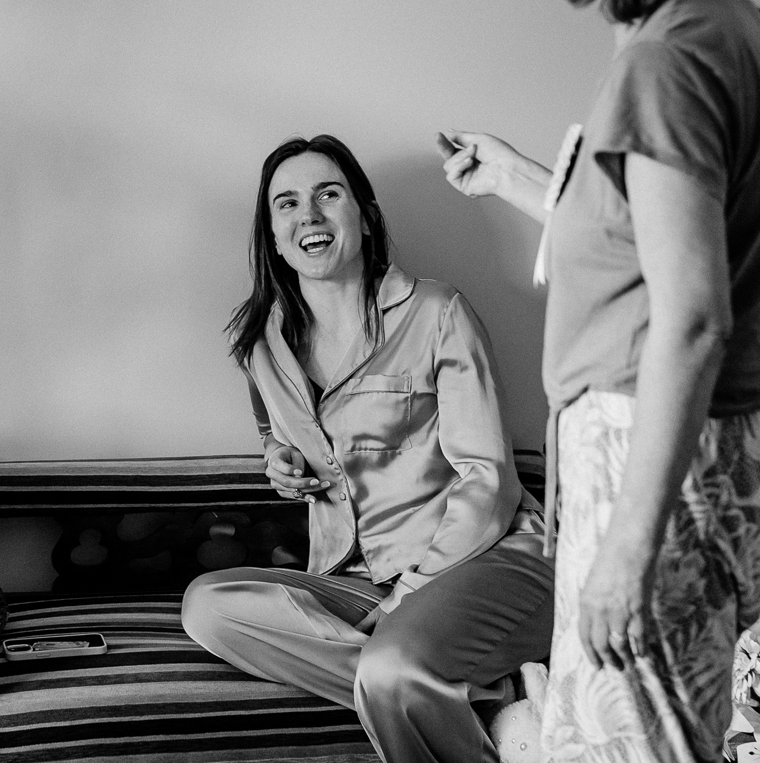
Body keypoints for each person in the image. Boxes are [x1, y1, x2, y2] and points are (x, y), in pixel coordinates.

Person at [441, 0, 760, 763]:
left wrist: (627, 549)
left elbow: (690, 318)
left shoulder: (666, 61)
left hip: (660, 455)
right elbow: (641, 253)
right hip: (695, 450)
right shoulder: (715, 23)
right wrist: (520, 179)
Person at [181, 134, 552, 763]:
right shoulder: (262, 345)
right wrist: (279, 462)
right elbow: (275, 432)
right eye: (287, 204)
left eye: (329, 194)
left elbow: (488, 484)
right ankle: (466, 686)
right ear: (273, 235)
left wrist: (414, 593)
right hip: (356, 581)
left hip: (483, 562)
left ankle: (412, 667)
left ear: (365, 215)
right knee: (207, 609)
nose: (310, 216)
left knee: (392, 666)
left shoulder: (437, 312)